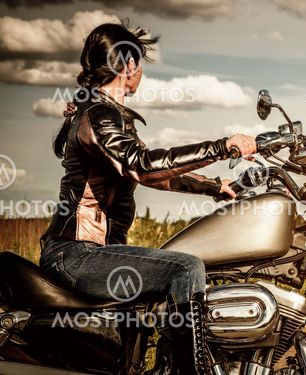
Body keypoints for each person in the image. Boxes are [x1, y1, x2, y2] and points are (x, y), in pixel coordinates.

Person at [39, 22, 257, 374]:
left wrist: (214, 187)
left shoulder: (108, 115)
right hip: (75, 253)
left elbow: (157, 175)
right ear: (127, 66)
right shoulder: (98, 114)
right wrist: (221, 146)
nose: (141, 72)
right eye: (139, 62)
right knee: (186, 267)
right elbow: (142, 165)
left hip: (94, 252)